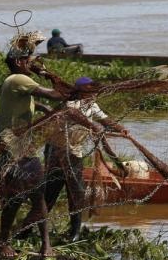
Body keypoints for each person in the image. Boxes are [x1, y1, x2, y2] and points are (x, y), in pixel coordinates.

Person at [0, 43, 67, 258]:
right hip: (12, 148)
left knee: (37, 196)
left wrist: (44, 110)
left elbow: (34, 103)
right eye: (29, 60)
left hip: (23, 148)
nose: (32, 64)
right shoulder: (18, 79)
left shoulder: (18, 83)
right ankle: (5, 243)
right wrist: (50, 76)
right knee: (15, 198)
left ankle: (45, 244)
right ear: (19, 62)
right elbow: (54, 95)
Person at [44, 77, 122, 241]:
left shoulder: (92, 106)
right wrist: (92, 126)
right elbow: (76, 116)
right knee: (51, 192)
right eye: (90, 91)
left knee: (77, 193)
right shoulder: (70, 103)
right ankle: (29, 229)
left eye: (94, 91)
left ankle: (75, 233)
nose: (94, 94)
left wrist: (121, 129)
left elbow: (105, 119)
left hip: (74, 152)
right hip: (57, 152)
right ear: (81, 91)